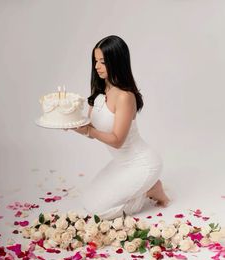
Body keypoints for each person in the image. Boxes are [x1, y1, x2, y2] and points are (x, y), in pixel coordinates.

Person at [67, 35, 170, 220]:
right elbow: (91, 131)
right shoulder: (99, 93)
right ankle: (146, 188)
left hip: (142, 163)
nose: (97, 66)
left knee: (99, 212)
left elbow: (116, 140)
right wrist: (70, 123)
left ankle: (151, 189)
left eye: (102, 62)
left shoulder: (125, 96)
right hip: (121, 163)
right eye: (95, 61)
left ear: (116, 62)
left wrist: (89, 130)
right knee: (88, 200)